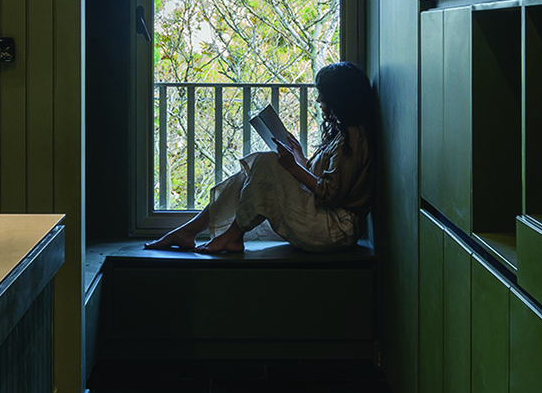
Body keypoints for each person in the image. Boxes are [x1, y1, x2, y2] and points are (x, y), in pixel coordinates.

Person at [145, 60, 376, 256]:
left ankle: (232, 237)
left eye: (323, 95)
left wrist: (293, 168)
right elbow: (326, 181)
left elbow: (330, 193)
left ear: (340, 97)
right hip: (325, 219)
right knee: (255, 166)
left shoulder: (354, 137)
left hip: (335, 228)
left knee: (266, 163)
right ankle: (191, 231)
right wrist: (300, 158)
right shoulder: (343, 134)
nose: (318, 100)